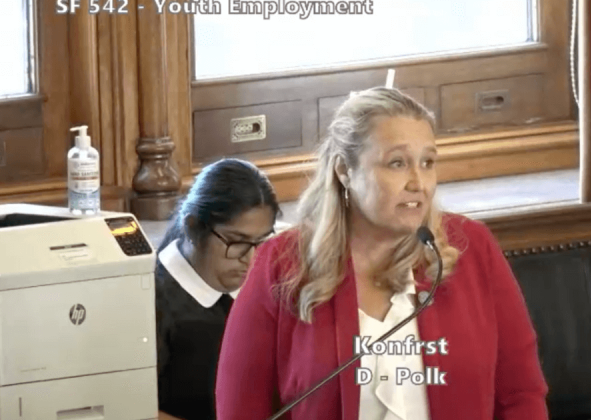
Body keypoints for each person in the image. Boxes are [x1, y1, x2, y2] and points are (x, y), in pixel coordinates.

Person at [215, 88, 548, 419]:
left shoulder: (472, 248)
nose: (418, 183)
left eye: (428, 163)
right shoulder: (281, 264)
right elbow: (240, 409)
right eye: (397, 163)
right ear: (344, 171)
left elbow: (521, 394)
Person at [155, 158, 281, 420]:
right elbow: (131, 407)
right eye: (236, 242)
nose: (250, 259)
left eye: (261, 241)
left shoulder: (269, 286)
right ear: (192, 227)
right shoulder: (153, 301)